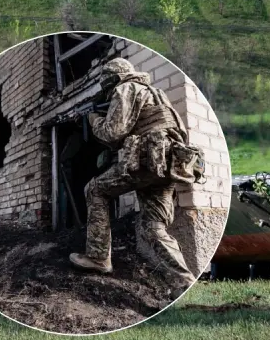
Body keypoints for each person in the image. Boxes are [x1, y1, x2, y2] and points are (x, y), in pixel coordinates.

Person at [68, 58, 198, 298]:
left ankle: (98, 257)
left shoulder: (125, 88)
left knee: (95, 190)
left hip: (147, 162)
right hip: (169, 165)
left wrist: (93, 119)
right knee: (153, 226)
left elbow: (111, 133)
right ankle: (185, 283)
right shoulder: (157, 93)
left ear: (112, 79)